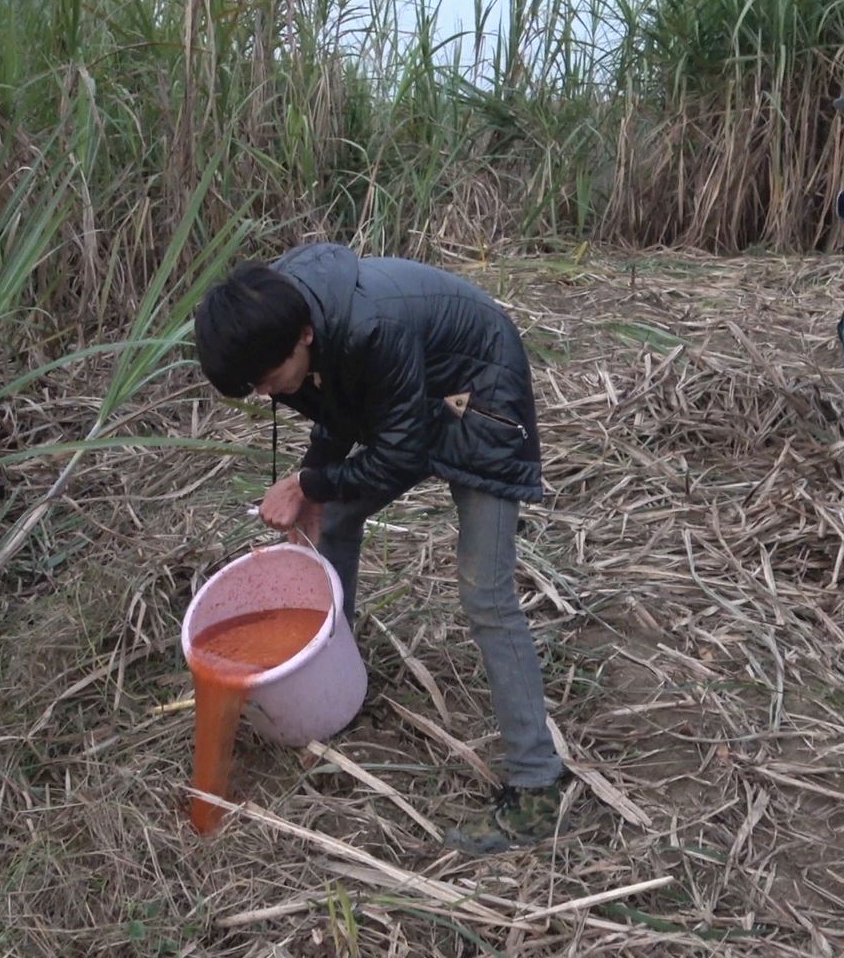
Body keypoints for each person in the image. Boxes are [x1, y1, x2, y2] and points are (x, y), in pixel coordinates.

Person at [192, 241, 567, 852]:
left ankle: (537, 786)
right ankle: (331, 680)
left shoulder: (372, 329)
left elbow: (399, 455)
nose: (264, 393)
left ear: (305, 336)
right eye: (252, 386)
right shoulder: (283, 321)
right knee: (335, 519)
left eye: (267, 380)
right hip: (412, 390)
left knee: (486, 593)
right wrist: (316, 484)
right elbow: (335, 404)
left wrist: (307, 484)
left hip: (481, 390)